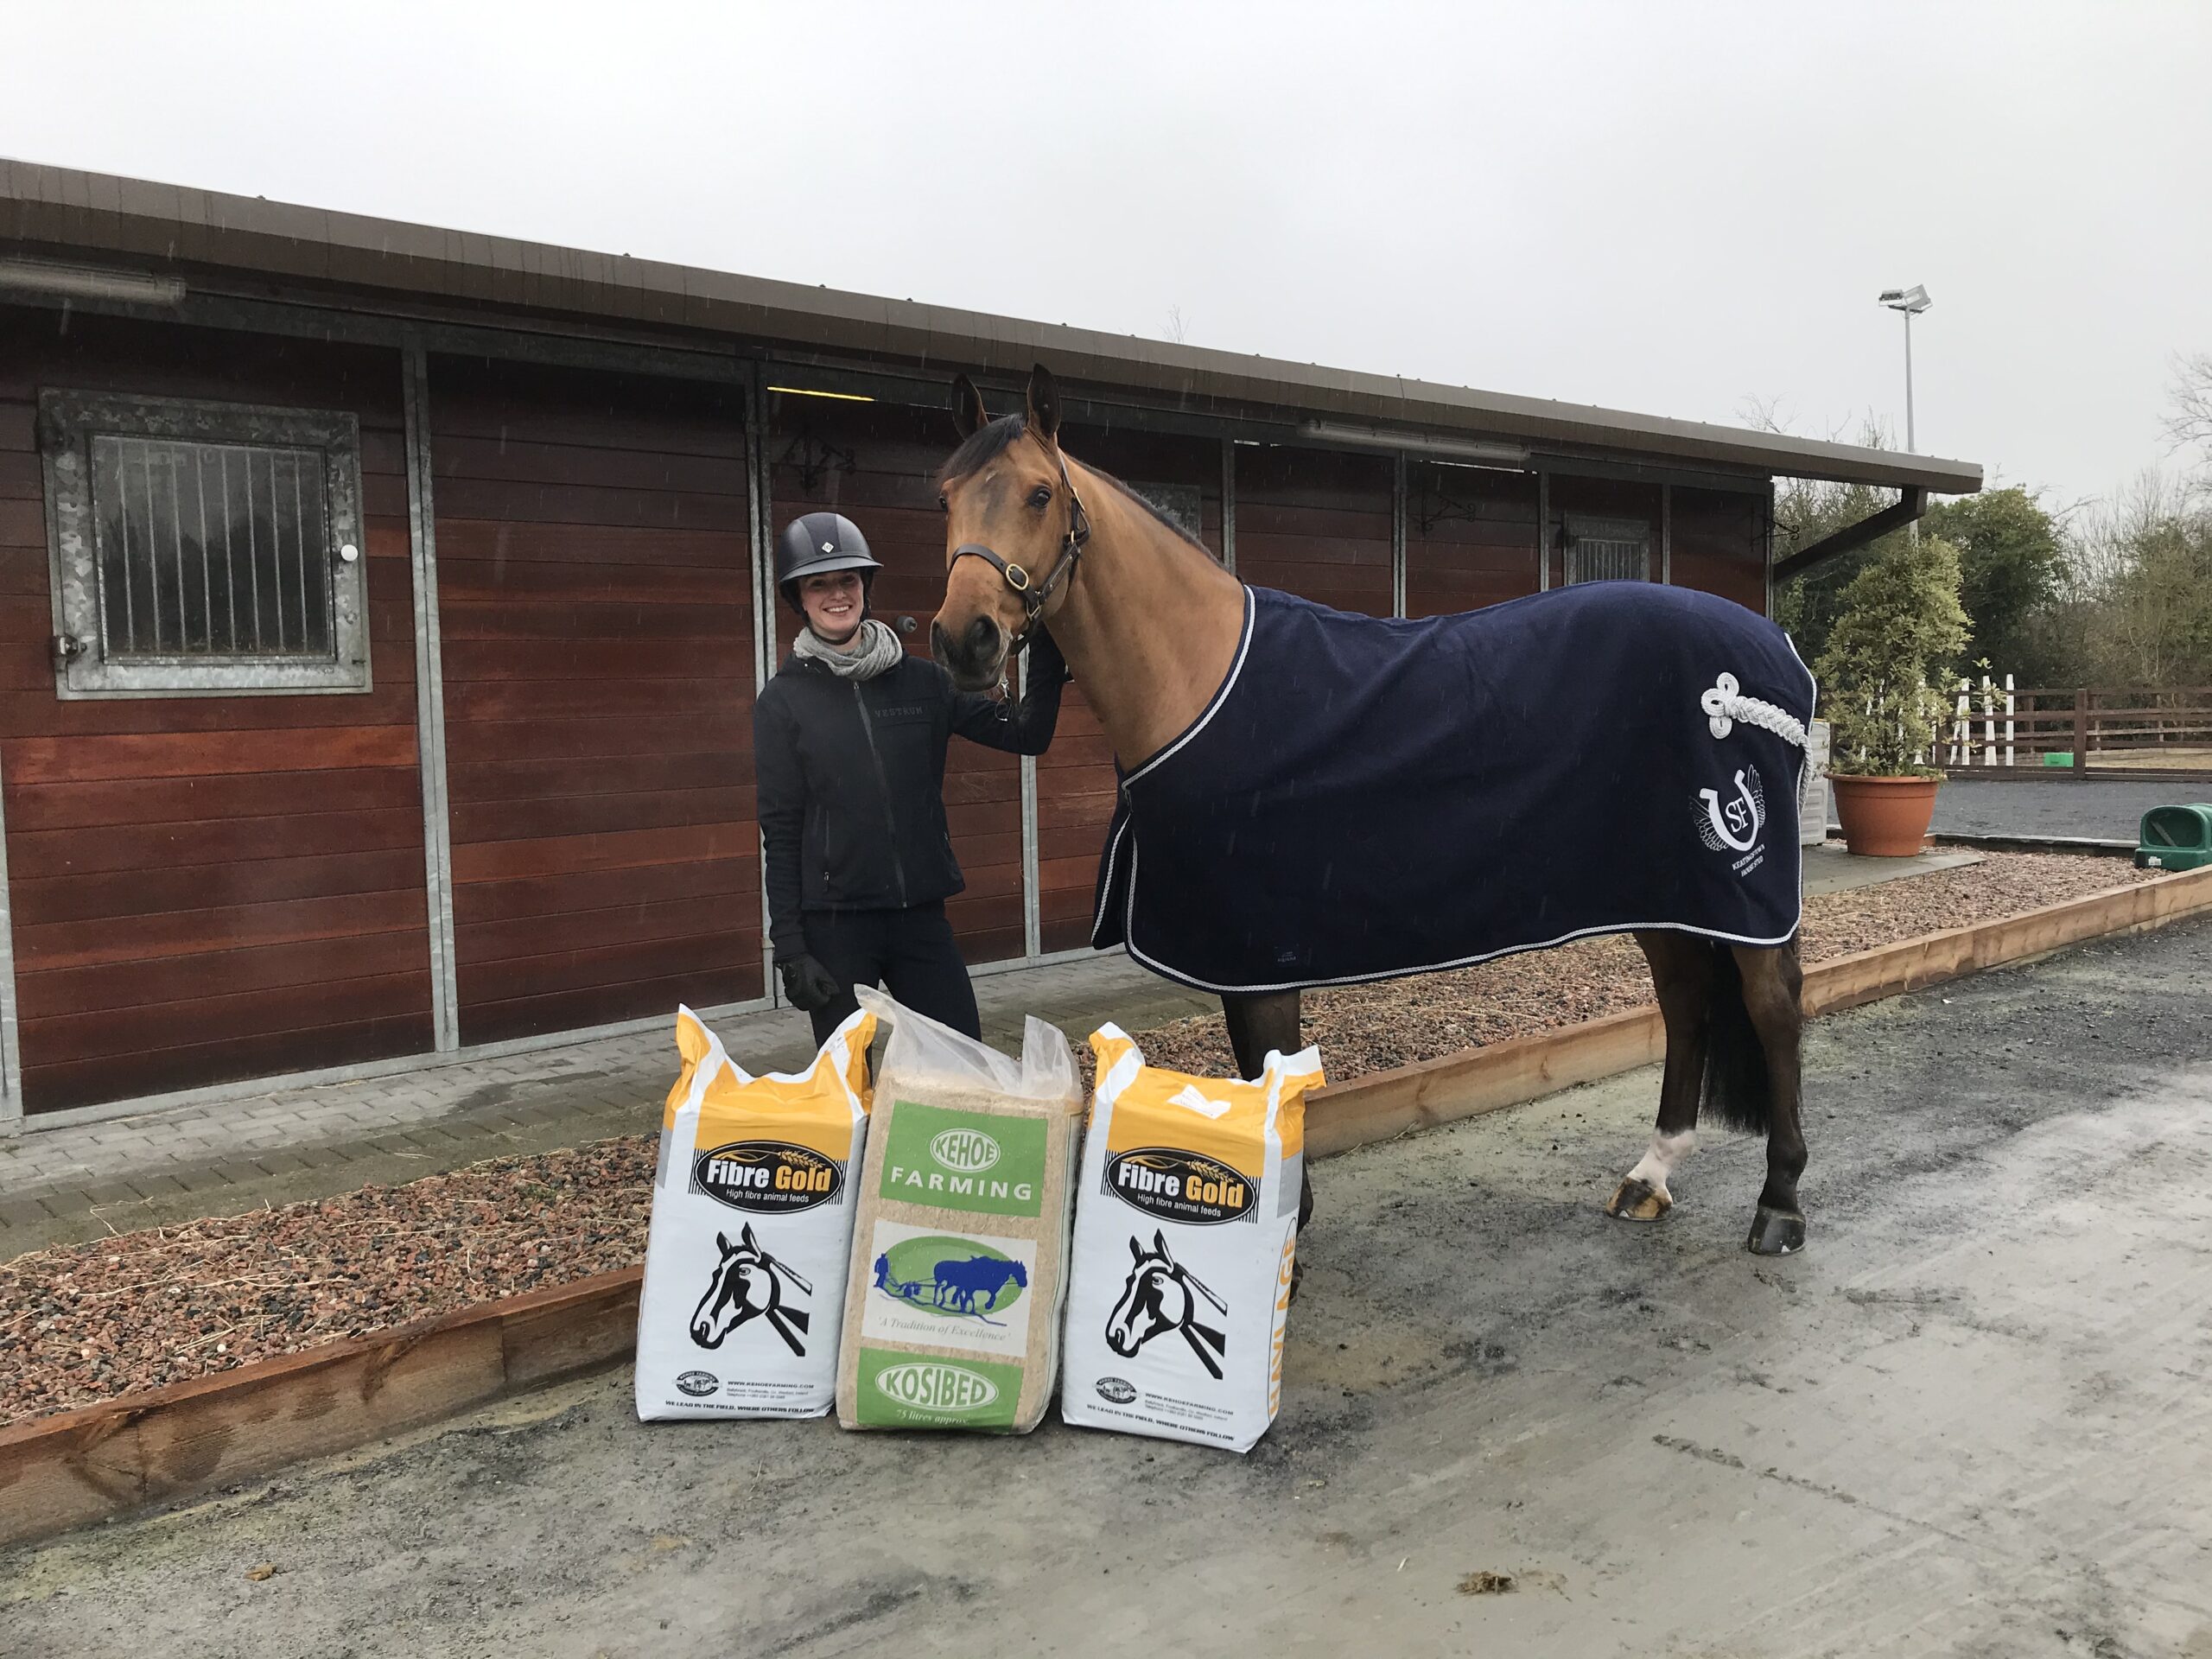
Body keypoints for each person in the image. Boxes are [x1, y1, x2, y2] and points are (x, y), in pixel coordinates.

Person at [754, 511, 1067, 1045]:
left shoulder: (923, 682)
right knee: (848, 1086)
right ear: (798, 599)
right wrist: (790, 948)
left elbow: (1025, 735)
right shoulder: (782, 703)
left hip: (920, 919)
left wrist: (1049, 645)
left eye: (847, 580)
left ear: (865, 587)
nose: (837, 595)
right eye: (819, 584)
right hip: (835, 926)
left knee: (963, 1057)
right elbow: (781, 832)